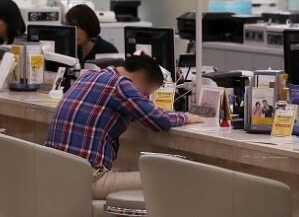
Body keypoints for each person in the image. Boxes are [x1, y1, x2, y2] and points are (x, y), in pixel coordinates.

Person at [46, 54, 202, 199]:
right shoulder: (121, 85)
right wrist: (187, 117)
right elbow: (159, 120)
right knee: (171, 178)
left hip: (54, 175)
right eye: (146, 93)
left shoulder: (89, 75)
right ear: (140, 76)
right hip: (87, 179)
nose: (144, 98)